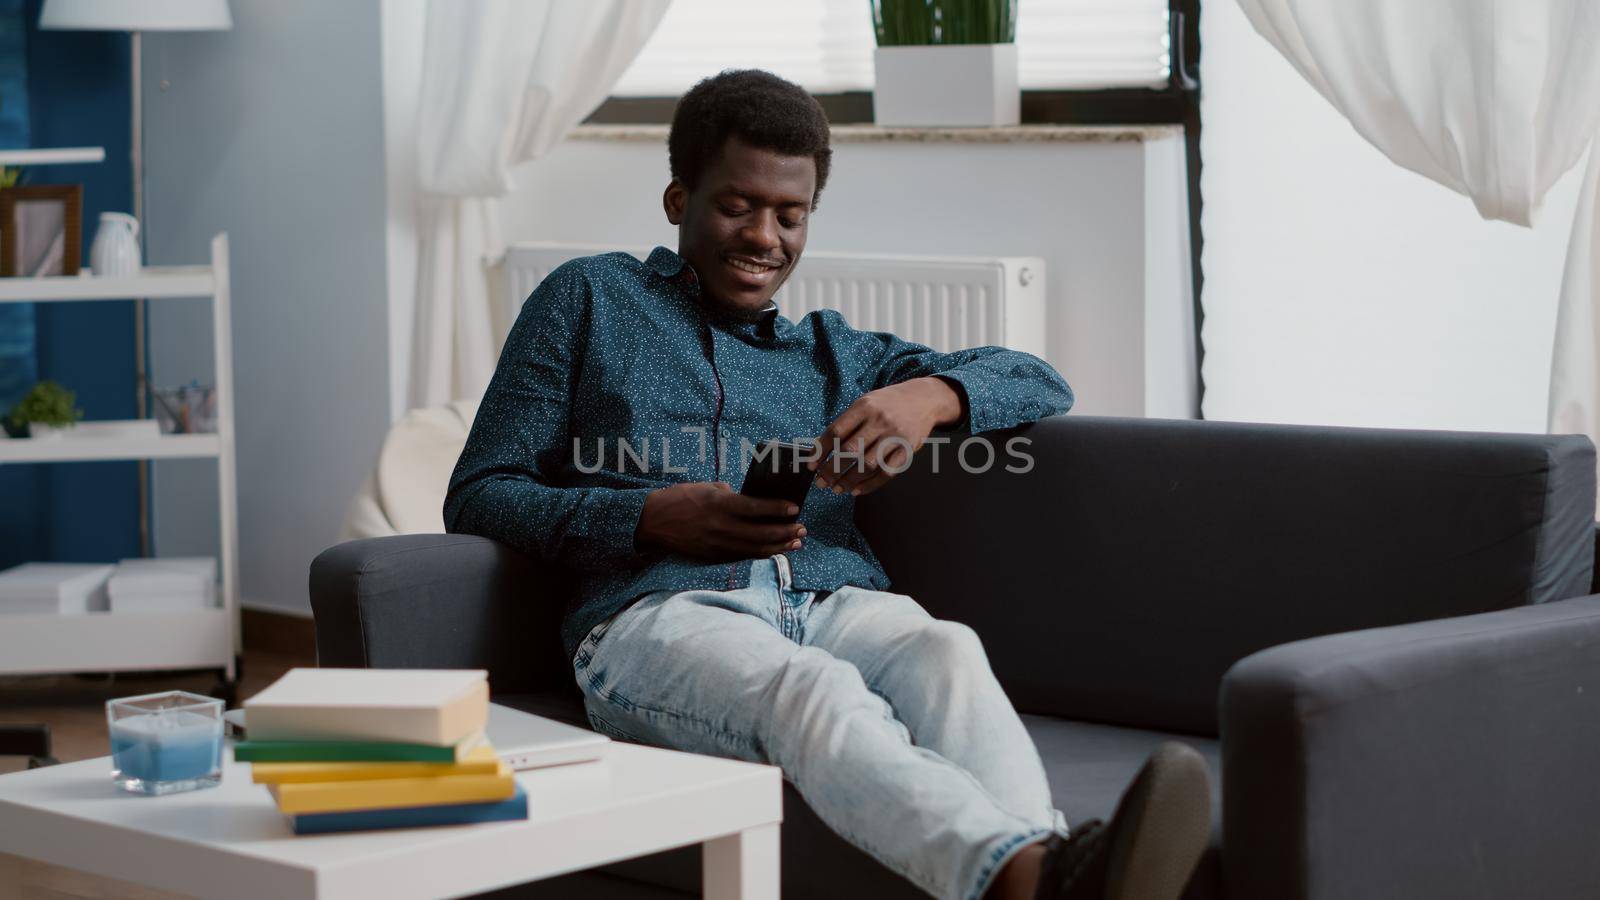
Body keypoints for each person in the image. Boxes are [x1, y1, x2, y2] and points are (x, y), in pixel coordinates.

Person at [445, 69, 1210, 900]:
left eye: (790, 214)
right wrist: (648, 517)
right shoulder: (590, 298)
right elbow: (481, 490)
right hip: (658, 619)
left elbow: (1037, 379)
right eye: (737, 205)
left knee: (944, 647)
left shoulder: (837, 354)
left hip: (831, 603)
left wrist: (930, 396)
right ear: (678, 200)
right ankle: (1032, 874)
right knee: (812, 690)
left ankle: (1056, 876)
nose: (764, 236)